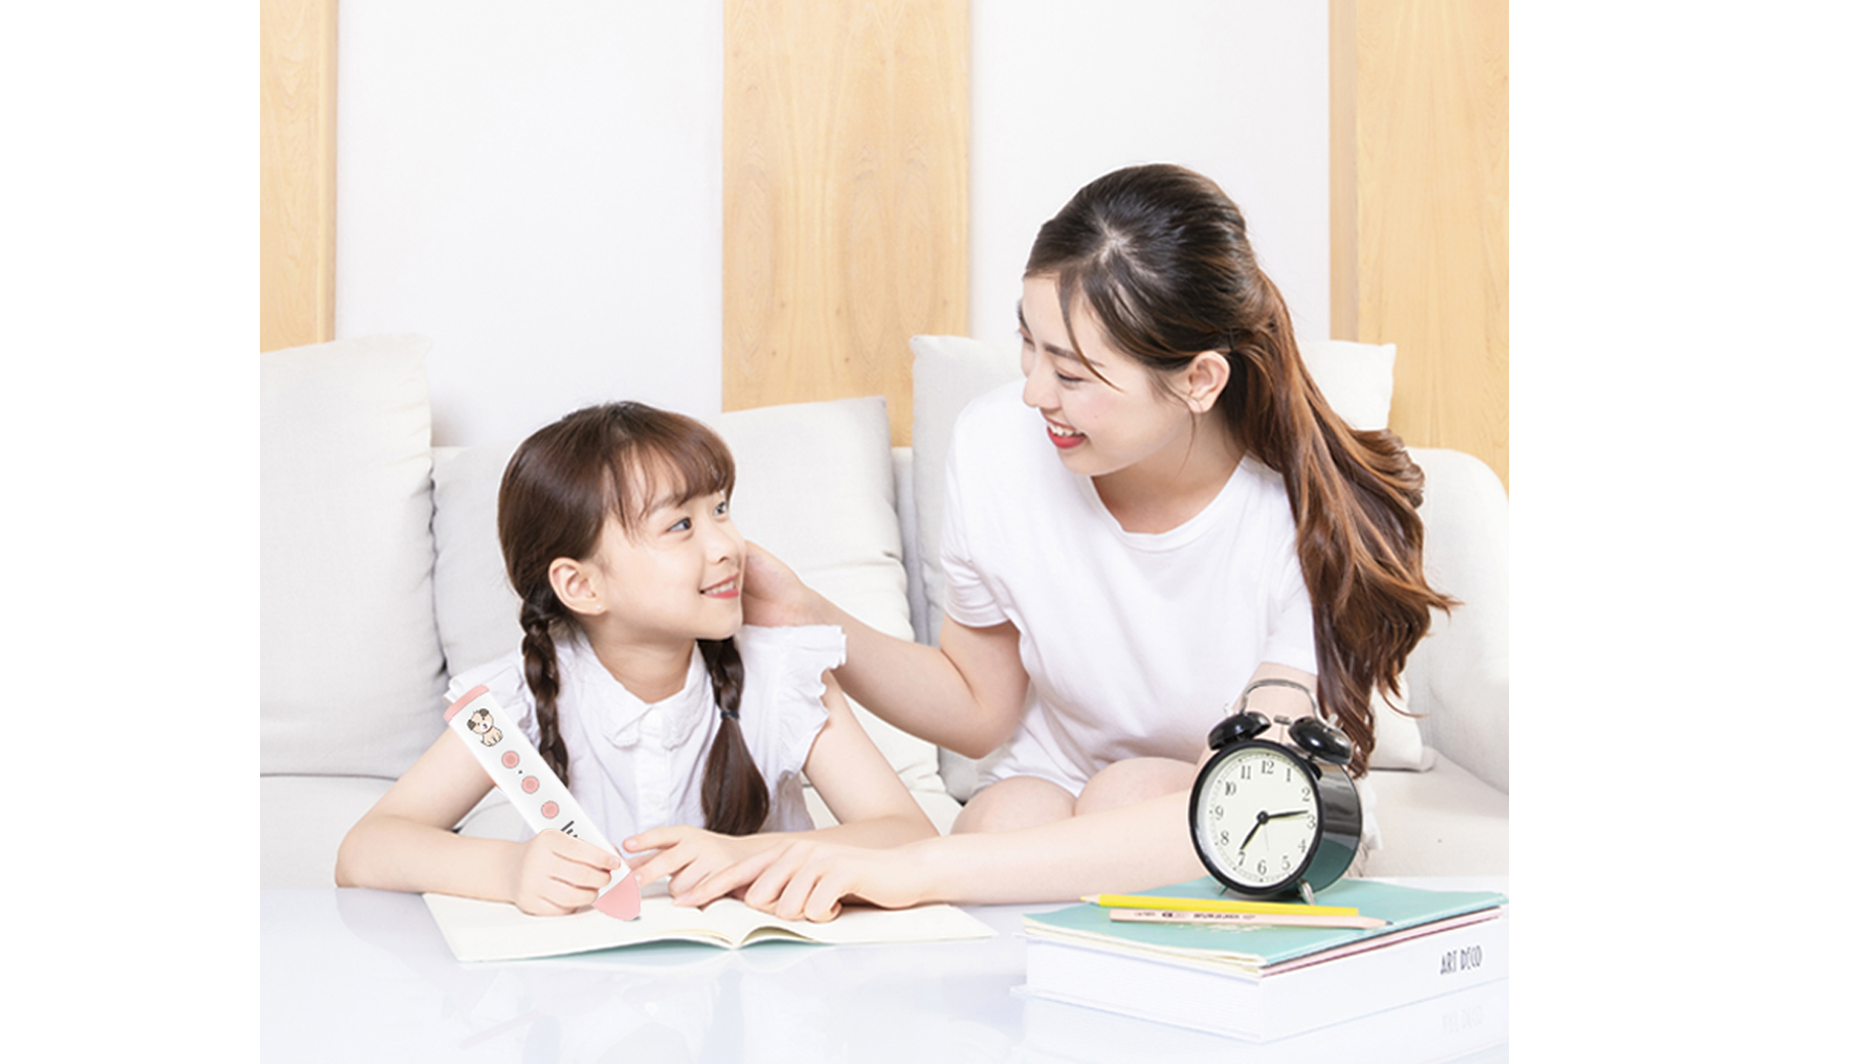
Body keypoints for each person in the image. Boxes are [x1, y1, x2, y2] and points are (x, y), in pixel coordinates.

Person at [711, 163, 1452, 921]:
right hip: (1054, 786)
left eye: (1072, 373)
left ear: (1200, 380)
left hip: (1255, 807)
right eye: (1028, 344)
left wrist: (919, 867)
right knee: (1010, 813)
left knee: (1127, 793)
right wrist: (809, 614)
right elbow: (978, 706)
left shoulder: (1310, 516)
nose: (1035, 392)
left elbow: (1244, 802)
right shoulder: (997, 443)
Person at [335, 402, 936, 915]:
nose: (726, 545)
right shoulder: (515, 698)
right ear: (581, 586)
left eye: (720, 509)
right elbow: (365, 849)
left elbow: (909, 836)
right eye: (681, 525)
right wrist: (509, 871)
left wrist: (744, 856)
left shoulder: (783, 674)